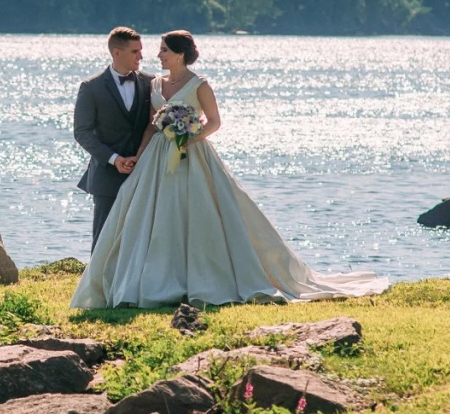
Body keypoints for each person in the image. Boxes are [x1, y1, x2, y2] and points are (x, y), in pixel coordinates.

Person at [71, 30, 388, 308]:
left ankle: (203, 275)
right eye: (145, 51)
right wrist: (139, 157)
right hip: (152, 160)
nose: (155, 55)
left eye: (163, 50)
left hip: (192, 155)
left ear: (180, 54)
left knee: (200, 214)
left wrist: (187, 138)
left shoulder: (196, 84)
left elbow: (214, 122)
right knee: (147, 219)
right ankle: (131, 279)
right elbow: (148, 127)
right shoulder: (148, 83)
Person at [72, 26, 152, 250]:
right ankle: (98, 284)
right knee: (103, 240)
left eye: (141, 50)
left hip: (144, 172)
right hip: (107, 175)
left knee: (142, 238)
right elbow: (82, 132)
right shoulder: (91, 87)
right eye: (135, 51)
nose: (141, 56)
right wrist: (115, 159)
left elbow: (155, 125)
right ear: (117, 53)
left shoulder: (150, 83)